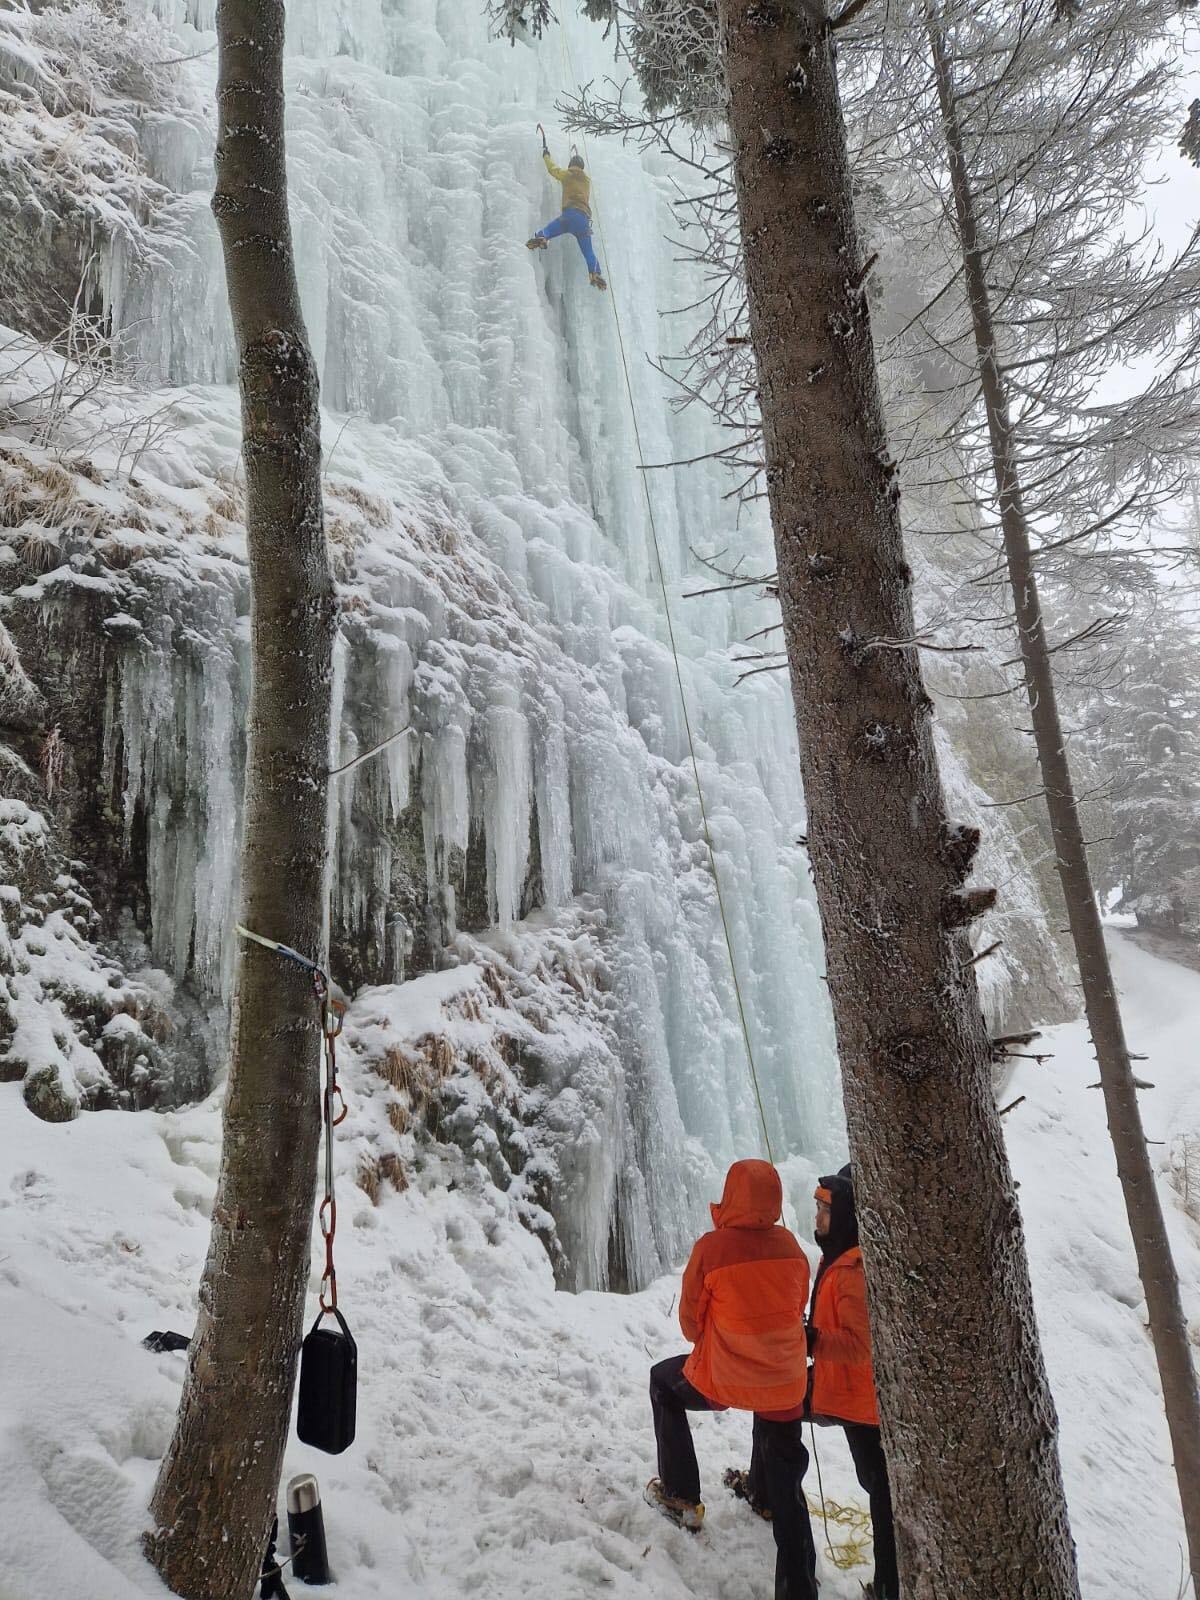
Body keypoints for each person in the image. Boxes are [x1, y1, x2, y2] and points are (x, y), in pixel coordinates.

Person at [647, 1158, 818, 1600]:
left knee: (663, 1383)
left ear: (731, 1196)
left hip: (722, 1380)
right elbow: (797, 1303)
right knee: (785, 1469)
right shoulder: (793, 1249)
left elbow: (689, 1325)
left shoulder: (711, 1248)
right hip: (782, 1381)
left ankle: (681, 1495)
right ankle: (770, 1506)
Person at [809, 1166, 899, 1600]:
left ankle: (889, 1586)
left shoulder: (852, 1269)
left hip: (857, 1397)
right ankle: (889, 1584)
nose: (817, 1219)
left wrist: (813, 1340)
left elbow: (859, 1346)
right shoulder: (839, 1256)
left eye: (824, 1211)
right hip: (847, 1390)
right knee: (877, 1485)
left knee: (880, 1488)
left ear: (844, 1217)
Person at [526, 140, 608, 291]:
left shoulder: (567, 174)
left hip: (569, 216)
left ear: (571, 165)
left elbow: (553, 170)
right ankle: (595, 273)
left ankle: (542, 237)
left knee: (550, 230)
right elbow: (579, 172)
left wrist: (546, 155)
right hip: (583, 221)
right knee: (588, 252)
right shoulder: (587, 181)